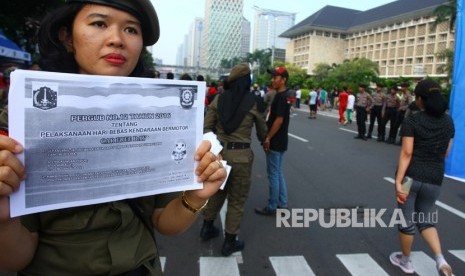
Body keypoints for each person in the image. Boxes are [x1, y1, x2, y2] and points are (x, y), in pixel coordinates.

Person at [0, 1, 226, 275]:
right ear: (67, 37)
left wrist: (195, 196)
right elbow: (13, 260)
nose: (117, 40)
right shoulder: (20, 123)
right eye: (99, 23)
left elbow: (165, 221)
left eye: (131, 30)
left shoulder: (165, 118)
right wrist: (3, 219)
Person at [200, 63, 267, 256]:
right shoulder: (254, 102)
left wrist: (215, 145)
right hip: (242, 158)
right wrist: (265, 141)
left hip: (219, 154)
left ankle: (207, 227)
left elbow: (206, 127)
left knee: (216, 193)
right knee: (237, 200)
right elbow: (262, 128)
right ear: (247, 81)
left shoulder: (219, 99)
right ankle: (230, 242)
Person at [390, 79, 454, 276]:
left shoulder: (413, 120)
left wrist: (398, 181)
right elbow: (446, 153)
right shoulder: (448, 121)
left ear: (420, 99)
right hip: (435, 178)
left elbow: (407, 153)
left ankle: (406, 261)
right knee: (425, 220)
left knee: (406, 219)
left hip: (411, 178)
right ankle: (440, 260)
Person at [255, 67, 291, 216]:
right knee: (278, 172)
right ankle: (282, 203)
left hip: (275, 141)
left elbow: (279, 121)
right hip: (281, 140)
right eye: (273, 77)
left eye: (276, 77)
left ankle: (272, 206)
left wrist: (267, 138)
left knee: (273, 174)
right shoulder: (282, 95)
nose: (273, 79)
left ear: (283, 80)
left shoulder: (281, 97)